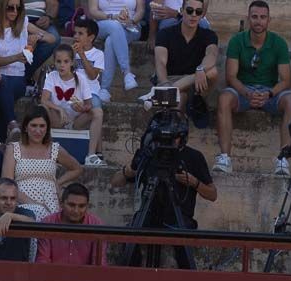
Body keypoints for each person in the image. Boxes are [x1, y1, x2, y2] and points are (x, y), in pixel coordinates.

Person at [112, 117, 215, 269]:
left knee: (183, 241)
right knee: (128, 236)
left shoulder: (194, 157)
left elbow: (212, 194)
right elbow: (115, 182)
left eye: (175, 137)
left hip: (179, 218)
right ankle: (131, 277)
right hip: (149, 214)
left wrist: (194, 182)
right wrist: (127, 172)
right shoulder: (148, 153)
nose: (171, 142)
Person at [213, 1, 291, 177]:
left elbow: (286, 80)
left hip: (270, 92)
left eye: (263, 17)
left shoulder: (278, 43)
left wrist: (270, 93)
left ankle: (283, 159)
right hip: (243, 90)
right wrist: (247, 93)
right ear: (248, 18)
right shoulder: (237, 41)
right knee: (224, 98)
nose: (259, 21)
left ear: (269, 20)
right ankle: (225, 158)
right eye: (255, 17)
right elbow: (231, 77)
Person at [0, 0, 55, 144]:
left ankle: (10, 129)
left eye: (18, 8)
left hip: (17, 79)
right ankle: (5, 137)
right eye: (10, 8)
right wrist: (17, 57)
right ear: (1, 7)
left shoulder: (22, 24)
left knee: (3, 88)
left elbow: (52, 38)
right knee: (1, 85)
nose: (15, 12)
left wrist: (36, 38)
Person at [2, 106, 83, 219]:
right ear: (25, 127)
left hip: (50, 199)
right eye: (34, 125)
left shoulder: (54, 148)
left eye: (42, 126)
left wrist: (58, 182)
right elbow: (8, 183)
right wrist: (34, 204)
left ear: (47, 128)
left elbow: (77, 168)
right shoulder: (13, 148)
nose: (38, 131)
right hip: (22, 200)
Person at [152, 0, 219, 124]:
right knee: (180, 98)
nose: (194, 15)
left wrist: (200, 69)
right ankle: (169, 91)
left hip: (196, 84)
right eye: (189, 10)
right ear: (182, 11)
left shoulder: (209, 35)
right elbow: (160, 62)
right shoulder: (165, 33)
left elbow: (212, 55)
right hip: (171, 79)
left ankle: (166, 92)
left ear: (202, 15)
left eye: (198, 12)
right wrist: (164, 82)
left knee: (212, 71)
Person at [41, 45, 105, 166]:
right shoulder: (52, 77)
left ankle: (91, 155)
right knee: (43, 108)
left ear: (71, 62)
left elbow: (89, 104)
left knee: (98, 112)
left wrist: (81, 108)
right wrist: (59, 108)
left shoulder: (80, 78)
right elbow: (44, 100)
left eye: (66, 61)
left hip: (76, 121)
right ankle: (44, 150)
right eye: (58, 61)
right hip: (58, 119)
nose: (62, 65)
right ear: (54, 62)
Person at [35, 183, 104, 265]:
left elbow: (98, 263)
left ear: (87, 206)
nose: (76, 211)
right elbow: (43, 260)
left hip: (86, 277)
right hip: (52, 276)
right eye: (71, 205)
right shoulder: (47, 223)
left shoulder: (96, 225)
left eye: (81, 206)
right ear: (61, 204)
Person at [89, 0, 143, 94]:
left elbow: (141, 11)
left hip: (131, 26)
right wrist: (112, 17)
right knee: (114, 25)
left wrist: (131, 21)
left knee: (110, 41)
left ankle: (104, 89)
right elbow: (93, 10)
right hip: (103, 23)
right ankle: (126, 72)